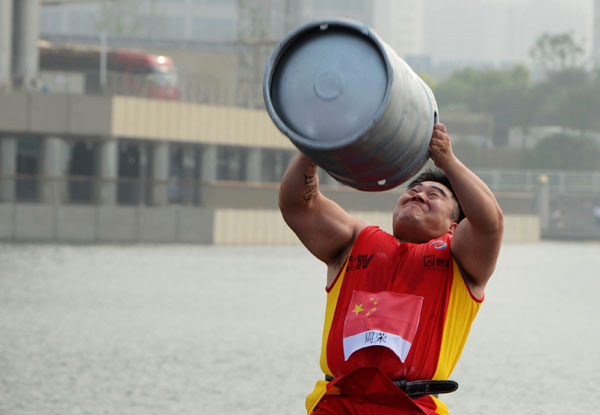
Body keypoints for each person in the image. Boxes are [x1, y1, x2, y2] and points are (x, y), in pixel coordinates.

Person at [279, 123, 504, 415]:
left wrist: (446, 159)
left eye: (434, 195)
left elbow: (490, 223)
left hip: (411, 406)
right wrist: (313, 147)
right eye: (413, 190)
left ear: (454, 225)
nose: (419, 195)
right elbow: (299, 207)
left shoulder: (461, 256)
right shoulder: (352, 241)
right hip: (338, 402)